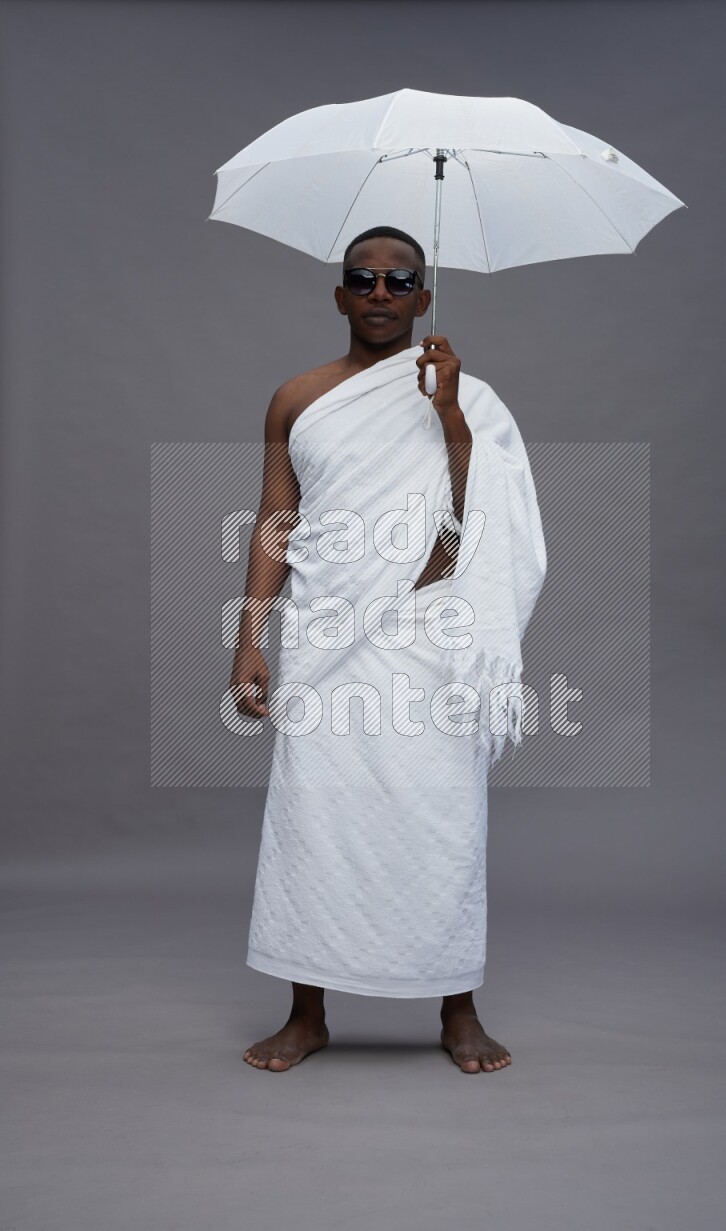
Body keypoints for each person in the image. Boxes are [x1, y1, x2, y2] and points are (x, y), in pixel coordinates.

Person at [231, 225, 546, 1074]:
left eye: (398, 281)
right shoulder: (297, 397)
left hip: (428, 637)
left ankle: (456, 1004)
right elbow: (276, 520)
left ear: (423, 298)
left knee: (442, 815)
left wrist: (446, 410)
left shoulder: (466, 399)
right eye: (362, 279)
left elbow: (481, 518)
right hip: (329, 634)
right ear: (338, 294)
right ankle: (307, 1012)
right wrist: (248, 636)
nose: (379, 292)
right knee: (315, 818)